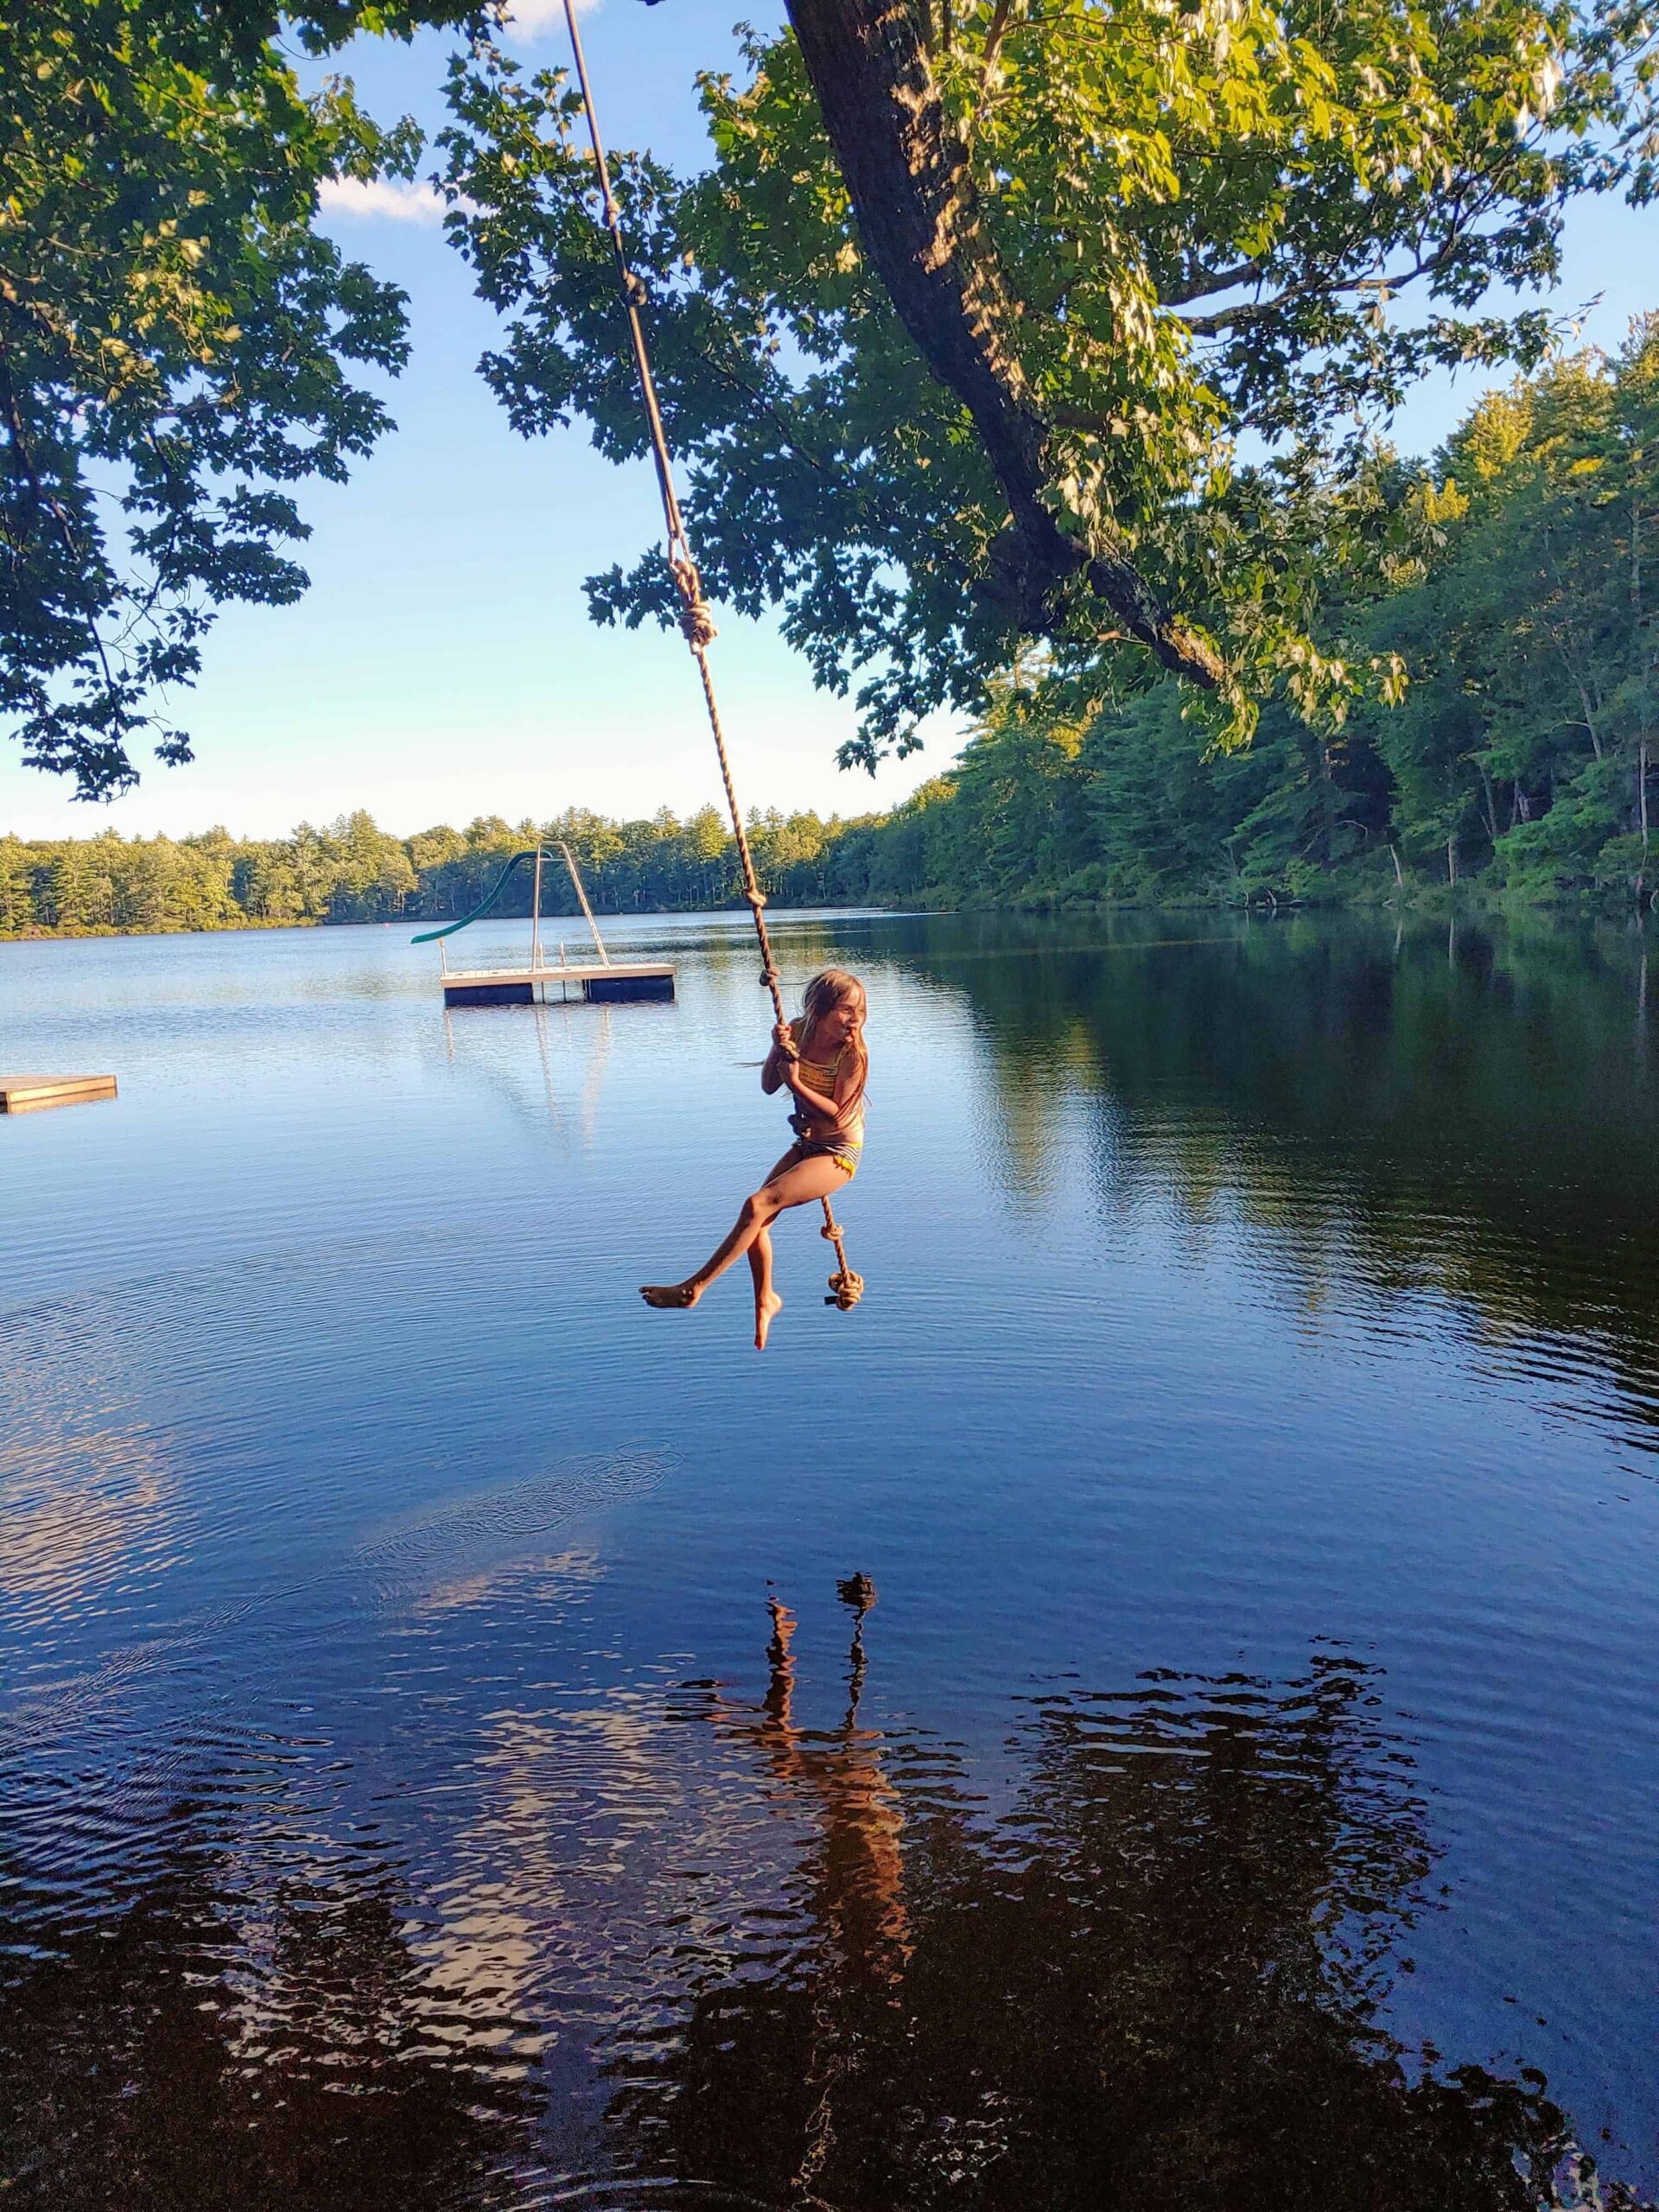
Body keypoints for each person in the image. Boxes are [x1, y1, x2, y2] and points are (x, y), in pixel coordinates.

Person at [641, 967, 867, 1348]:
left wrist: (796, 1082)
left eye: (860, 1012)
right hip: (809, 1146)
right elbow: (767, 1085)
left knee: (757, 1204)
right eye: (846, 1010)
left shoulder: (853, 1054)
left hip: (839, 1154)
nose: (854, 1020)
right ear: (819, 1009)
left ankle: (693, 1288)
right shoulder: (796, 1031)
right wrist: (778, 1051)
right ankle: (766, 1299)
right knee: (757, 1221)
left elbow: (839, 1115)